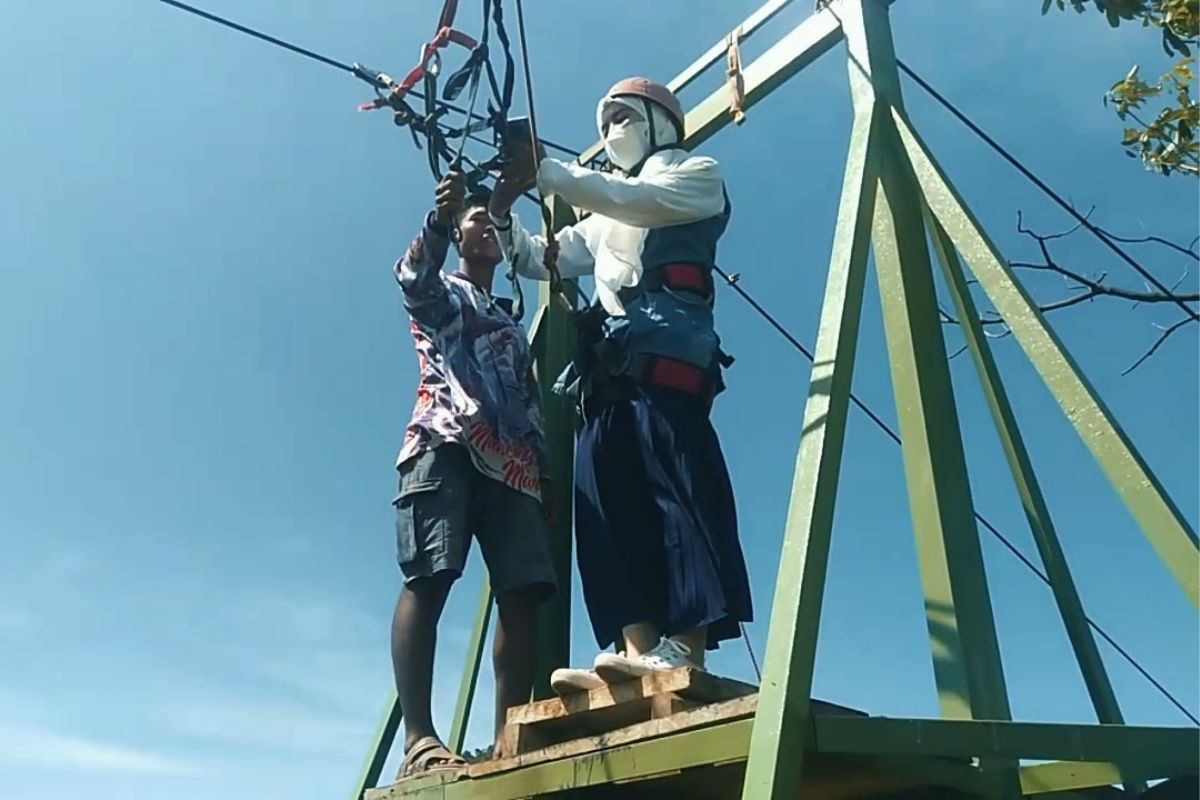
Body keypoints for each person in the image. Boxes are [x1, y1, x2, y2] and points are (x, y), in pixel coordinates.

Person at [486, 78, 752, 694]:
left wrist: (547, 172)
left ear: (662, 123)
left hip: (667, 357)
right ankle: (637, 648)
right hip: (608, 374)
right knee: (603, 504)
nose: (612, 132)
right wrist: (503, 211)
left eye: (625, 118)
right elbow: (538, 257)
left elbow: (642, 203)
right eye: (605, 122)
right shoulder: (603, 212)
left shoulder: (695, 173)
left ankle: (684, 650)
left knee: (677, 496)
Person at [390, 170, 557, 776]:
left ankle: (511, 736)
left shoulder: (509, 322)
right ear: (460, 239)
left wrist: (543, 478)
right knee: (431, 576)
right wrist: (438, 221)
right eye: (474, 220)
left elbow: (531, 403)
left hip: (512, 466)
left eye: (491, 220)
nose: (485, 225)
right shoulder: (444, 292)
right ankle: (419, 741)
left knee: (522, 595)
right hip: (447, 442)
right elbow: (410, 278)